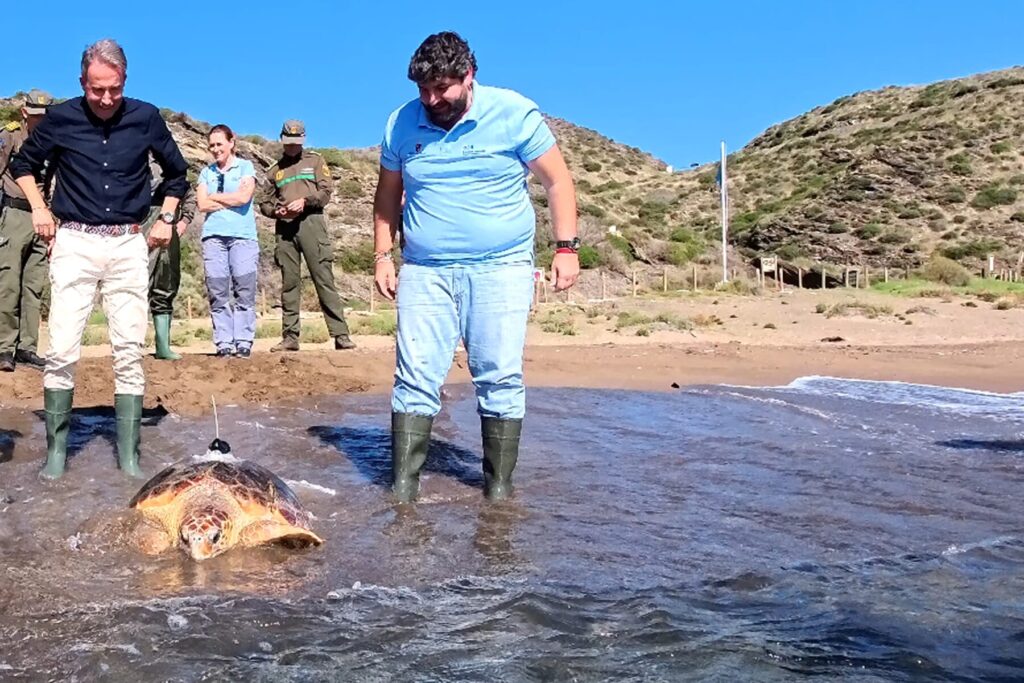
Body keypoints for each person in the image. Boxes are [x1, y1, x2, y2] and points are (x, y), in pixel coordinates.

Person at [372, 31, 580, 502]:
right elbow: (387, 196)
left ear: (469, 76)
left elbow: (557, 181)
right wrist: (383, 255)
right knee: (414, 377)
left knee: (498, 374)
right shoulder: (400, 124)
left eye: (441, 88)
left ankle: (498, 493)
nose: (431, 100)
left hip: (500, 268)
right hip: (425, 270)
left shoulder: (514, 113)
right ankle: (402, 493)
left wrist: (566, 248)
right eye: (423, 90)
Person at [10, 39, 188, 479]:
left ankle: (129, 457)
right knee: (61, 348)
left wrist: (166, 217)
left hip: (128, 242)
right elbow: (23, 165)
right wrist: (39, 208)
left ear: (125, 80)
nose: (106, 98)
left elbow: (177, 173)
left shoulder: (146, 117)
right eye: (96, 89)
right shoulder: (60, 118)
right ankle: (57, 455)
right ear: (81, 82)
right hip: (74, 242)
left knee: (128, 349)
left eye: (114, 89)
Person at [257, 120, 355, 352]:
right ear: (282, 140)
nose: (293, 146)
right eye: (289, 141)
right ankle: (290, 337)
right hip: (285, 229)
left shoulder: (315, 161)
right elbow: (264, 202)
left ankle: (341, 335)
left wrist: (306, 201)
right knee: (289, 283)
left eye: (296, 141)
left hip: (312, 223)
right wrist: (277, 212)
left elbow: (326, 192)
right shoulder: (274, 170)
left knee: (324, 279)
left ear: (303, 139)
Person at [0, 89, 53, 373]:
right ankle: (4, 348)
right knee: (8, 282)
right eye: (35, 116)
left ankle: (27, 348)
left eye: (43, 116)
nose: (39, 121)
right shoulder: (10, 136)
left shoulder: (53, 142)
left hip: (43, 219)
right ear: (24, 112)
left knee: (34, 285)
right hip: (14, 213)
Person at [195, 124, 258, 358]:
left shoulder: (246, 167)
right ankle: (223, 342)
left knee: (244, 289)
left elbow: (244, 197)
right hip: (214, 237)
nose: (215, 149)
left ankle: (243, 340)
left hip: (243, 237)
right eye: (211, 145)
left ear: (232, 142)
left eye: (219, 144)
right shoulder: (206, 173)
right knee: (218, 290)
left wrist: (215, 197)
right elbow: (202, 204)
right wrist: (229, 199)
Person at [145, 155, 197, 360]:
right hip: (137, 223)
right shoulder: (130, 155)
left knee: (166, 283)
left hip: (168, 224)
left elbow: (189, 193)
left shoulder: (171, 163)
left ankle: (163, 346)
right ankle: (129, 345)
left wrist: (184, 220)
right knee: (134, 283)